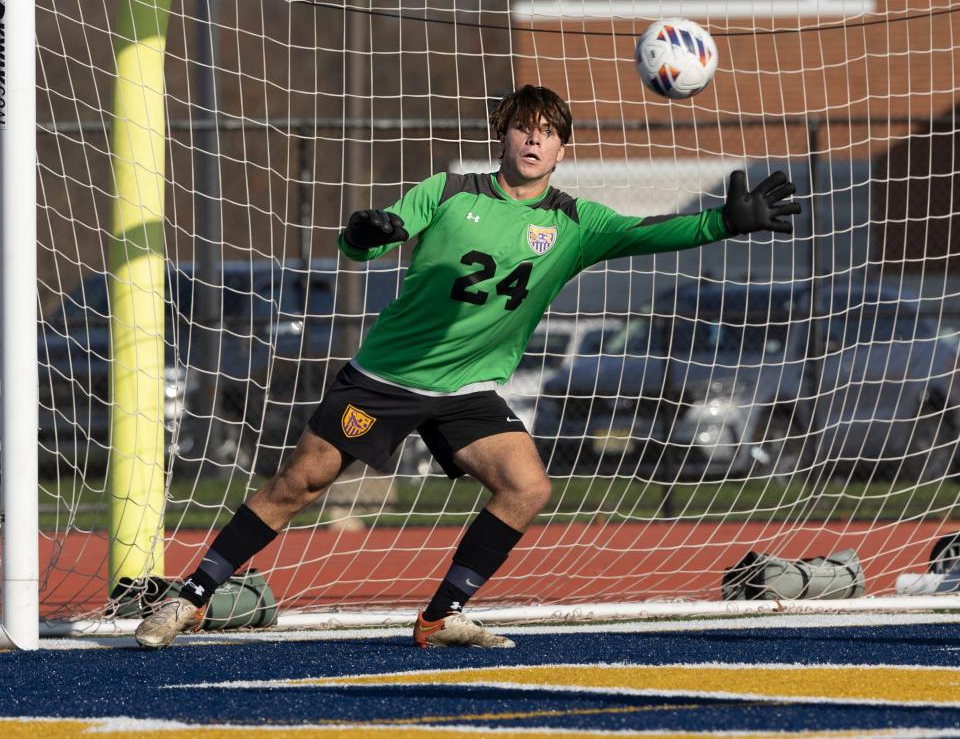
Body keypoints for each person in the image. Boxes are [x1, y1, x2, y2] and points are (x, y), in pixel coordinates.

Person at [135, 84, 800, 649]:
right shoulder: (450, 191)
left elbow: (654, 232)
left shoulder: (576, 222)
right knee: (298, 482)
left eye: (548, 134)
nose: (534, 141)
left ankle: (440, 615)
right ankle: (190, 596)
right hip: (388, 377)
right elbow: (373, 236)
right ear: (501, 137)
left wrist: (725, 223)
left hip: (467, 391)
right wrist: (366, 234)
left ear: (562, 148)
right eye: (523, 129)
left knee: (527, 487)